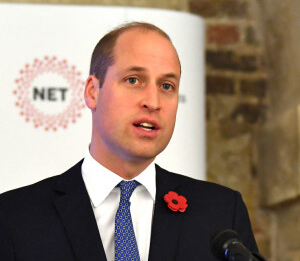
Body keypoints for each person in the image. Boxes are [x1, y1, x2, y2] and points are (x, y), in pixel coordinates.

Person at [0, 22, 258, 261]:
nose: (153, 102)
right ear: (92, 92)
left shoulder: (221, 215)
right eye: (133, 80)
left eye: (167, 86)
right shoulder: (14, 217)